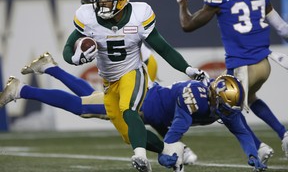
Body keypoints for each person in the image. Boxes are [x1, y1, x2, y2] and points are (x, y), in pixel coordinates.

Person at [0, 52, 267, 172]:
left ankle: (48, 67)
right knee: (82, 107)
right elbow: (175, 130)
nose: (227, 112)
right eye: (224, 107)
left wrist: (252, 153)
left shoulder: (223, 101)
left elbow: (240, 128)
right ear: (214, 96)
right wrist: (171, 150)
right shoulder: (195, 98)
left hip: (152, 103)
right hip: (138, 102)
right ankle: (21, 90)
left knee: (86, 99)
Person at [62, 0, 208, 172]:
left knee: (129, 109)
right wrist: (74, 59)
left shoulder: (139, 14)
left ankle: (140, 157)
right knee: (127, 134)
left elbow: (163, 48)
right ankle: (172, 152)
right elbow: (68, 48)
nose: (101, 1)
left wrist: (188, 69)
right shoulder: (87, 17)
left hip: (133, 71)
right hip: (108, 81)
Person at [172, 0, 288, 159]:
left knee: (223, 109)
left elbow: (187, 25)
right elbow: (283, 28)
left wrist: (182, 1)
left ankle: (259, 147)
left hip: (243, 66)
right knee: (250, 98)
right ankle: (283, 134)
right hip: (264, 64)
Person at [78, 0, 159, 82]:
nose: (91, 3)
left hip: (141, 64)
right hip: (121, 71)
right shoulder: (91, 18)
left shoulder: (115, 16)